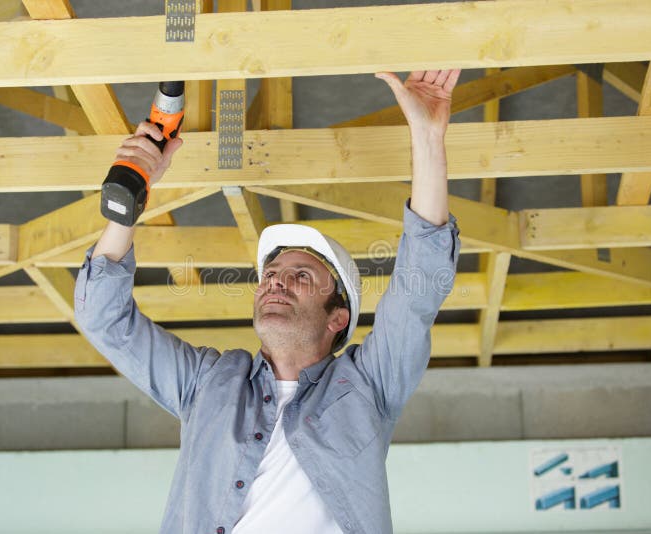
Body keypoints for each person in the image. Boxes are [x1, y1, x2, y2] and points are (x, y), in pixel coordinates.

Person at [74, 69, 462, 534]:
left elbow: (420, 286)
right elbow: (102, 319)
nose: (276, 283)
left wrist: (427, 132)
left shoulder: (367, 387)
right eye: (271, 275)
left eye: (300, 276)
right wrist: (128, 200)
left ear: (338, 317)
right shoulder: (208, 384)